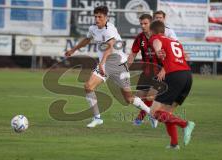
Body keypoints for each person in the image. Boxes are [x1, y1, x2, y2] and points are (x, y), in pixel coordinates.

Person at [65, 6, 150, 128]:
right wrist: (73, 50)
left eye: (100, 16)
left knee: (128, 99)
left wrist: (101, 62)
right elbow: (87, 39)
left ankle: (150, 112)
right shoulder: (93, 28)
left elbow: (110, 47)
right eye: (95, 16)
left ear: (106, 17)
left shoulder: (110, 29)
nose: (97, 19)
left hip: (118, 65)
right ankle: (97, 118)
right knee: (88, 86)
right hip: (104, 64)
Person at [148, 21, 195, 149]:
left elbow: (156, 43)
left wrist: (157, 51)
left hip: (175, 76)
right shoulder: (175, 42)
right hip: (187, 77)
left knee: (154, 113)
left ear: (153, 31)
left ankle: (186, 124)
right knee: (167, 113)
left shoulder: (155, 37)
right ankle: (174, 144)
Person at [128, 14, 165, 127]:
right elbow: (132, 54)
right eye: (141, 24)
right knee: (135, 98)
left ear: (151, 23)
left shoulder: (160, 37)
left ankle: (140, 119)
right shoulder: (140, 38)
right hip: (146, 72)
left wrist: (164, 69)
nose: (143, 26)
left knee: (150, 97)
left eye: (145, 23)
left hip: (159, 72)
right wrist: (125, 68)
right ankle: (152, 114)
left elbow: (168, 56)